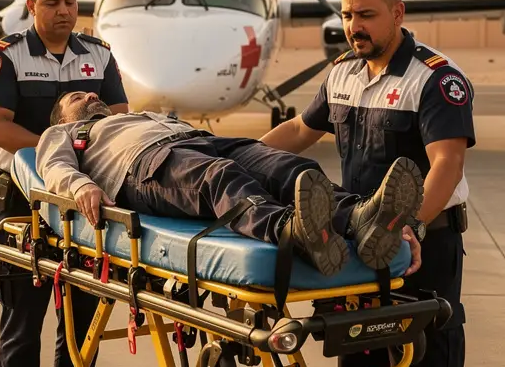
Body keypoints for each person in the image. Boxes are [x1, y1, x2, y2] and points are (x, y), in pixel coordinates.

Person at [259, 0, 475, 367]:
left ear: (397, 13)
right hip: (359, 249)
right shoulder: (342, 73)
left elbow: (447, 164)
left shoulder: (433, 77)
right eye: (346, 15)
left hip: (424, 248)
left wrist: (410, 225)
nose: (353, 26)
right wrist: (237, 155)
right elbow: (301, 129)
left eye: (366, 15)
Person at [35, 91, 425, 279]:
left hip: (201, 140)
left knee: (286, 166)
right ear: (62, 115)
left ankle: (360, 217)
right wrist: (80, 187)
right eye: (77, 96)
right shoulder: (65, 132)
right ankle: (293, 232)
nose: (91, 94)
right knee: (218, 180)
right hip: (144, 166)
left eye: (91, 92)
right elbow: (53, 168)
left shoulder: (140, 114)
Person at [0, 0, 129, 367]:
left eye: (70, 2)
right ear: (31, 6)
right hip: (23, 200)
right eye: (52, 3)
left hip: (83, 203)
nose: (64, 11)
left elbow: (118, 119)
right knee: (21, 328)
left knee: (82, 331)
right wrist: (58, 147)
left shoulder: (98, 55)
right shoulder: (6, 56)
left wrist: (77, 162)